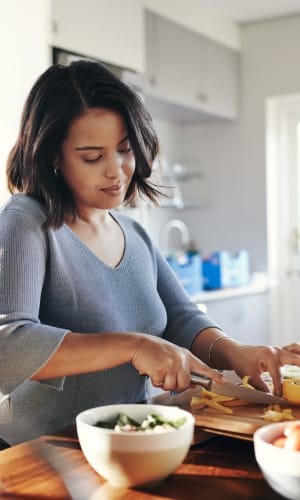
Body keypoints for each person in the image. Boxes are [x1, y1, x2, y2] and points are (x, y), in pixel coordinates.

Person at [0, 60, 300, 446]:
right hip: (43, 450)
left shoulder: (134, 232)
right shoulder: (26, 220)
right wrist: (135, 345)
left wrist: (235, 352)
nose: (117, 171)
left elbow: (181, 318)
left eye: (124, 150)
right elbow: (8, 345)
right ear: (53, 157)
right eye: (92, 157)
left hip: (128, 441)